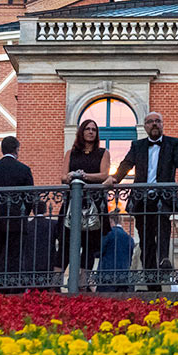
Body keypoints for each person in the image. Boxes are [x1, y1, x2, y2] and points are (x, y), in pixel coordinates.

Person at [112, 111, 178, 292]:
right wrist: (115, 179)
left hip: (163, 197)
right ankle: (153, 283)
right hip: (142, 199)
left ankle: (164, 259)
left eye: (158, 121)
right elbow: (126, 164)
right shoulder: (138, 145)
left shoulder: (173, 143)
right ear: (145, 126)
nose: (154, 124)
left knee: (163, 228)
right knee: (146, 241)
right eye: (150, 122)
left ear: (162, 124)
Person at [61, 119, 113, 284]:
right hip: (72, 202)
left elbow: (104, 174)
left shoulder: (103, 152)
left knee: (90, 246)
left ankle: (82, 283)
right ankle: (56, 284)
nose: (91, 132)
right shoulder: (71, 153)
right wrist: (70, 176)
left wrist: (83, 176)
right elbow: (63, 176)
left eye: (94, 130)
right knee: (64, 243)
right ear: (81, 132)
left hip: (94, 203)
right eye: (88, 129)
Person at [0, 136, 34, 288]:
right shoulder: (24, 170)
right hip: (16, 220)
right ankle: (14, 288)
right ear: (17, 150)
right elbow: (29, 198)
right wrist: (23, 215)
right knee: (15, 256)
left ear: (2, 150)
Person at [98, 214, 135, 292]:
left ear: (111, 221)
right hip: (124, 276)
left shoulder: (108, 234)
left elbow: (99, 251)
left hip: (107, 276)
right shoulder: (130, 238)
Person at [22, 201, 59, 277]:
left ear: (33, 211)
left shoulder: (27, 225)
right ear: (45, 210)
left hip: (30, 260)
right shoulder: (53, 224)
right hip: (48, 259)